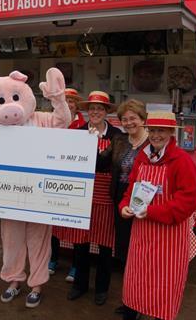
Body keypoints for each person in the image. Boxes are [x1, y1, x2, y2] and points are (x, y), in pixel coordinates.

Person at [119, 111, 196, 320]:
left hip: (169, 237)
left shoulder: (181, 160)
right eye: (153, 130)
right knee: (137, 279)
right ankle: (133, 311)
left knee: (164, 283)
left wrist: (153, 211)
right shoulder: (143, 157)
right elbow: (132, 188)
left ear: (171, 132)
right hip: (142, 234)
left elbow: (189, 200)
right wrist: (125, 206)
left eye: (161, 131)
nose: (156, 135)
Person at [67, 91, 122, 306]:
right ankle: (79, 285)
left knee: (105, 247)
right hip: (83, 196)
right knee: (80, 244)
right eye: (92, 108)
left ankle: (101, 288)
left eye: (100, 108)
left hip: (106, 198)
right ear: (86, 111)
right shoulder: (78, 132)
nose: (95, 112)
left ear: (107, 111)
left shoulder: (117, 135)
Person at [99, 99, 147, 314]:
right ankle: (131, 301)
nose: (128, 123)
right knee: (126, 252)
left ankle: (141, 302)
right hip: (121, 202)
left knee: (142, 254)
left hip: (145, 205)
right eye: (124, 119)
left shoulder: (152, 142)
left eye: (133, 118)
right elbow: (100, 162)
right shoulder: (119, 141)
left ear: (142, 119)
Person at [49, 87, 87, 282]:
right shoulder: (51, 121)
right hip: (55, 177)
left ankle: (75, 265)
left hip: (76, 179)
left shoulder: (85, 125)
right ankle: (53, 259)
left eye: (71, 101)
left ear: (76, 104)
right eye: (65, 100)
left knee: (76, 226)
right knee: (53, 223)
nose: (68, 104)